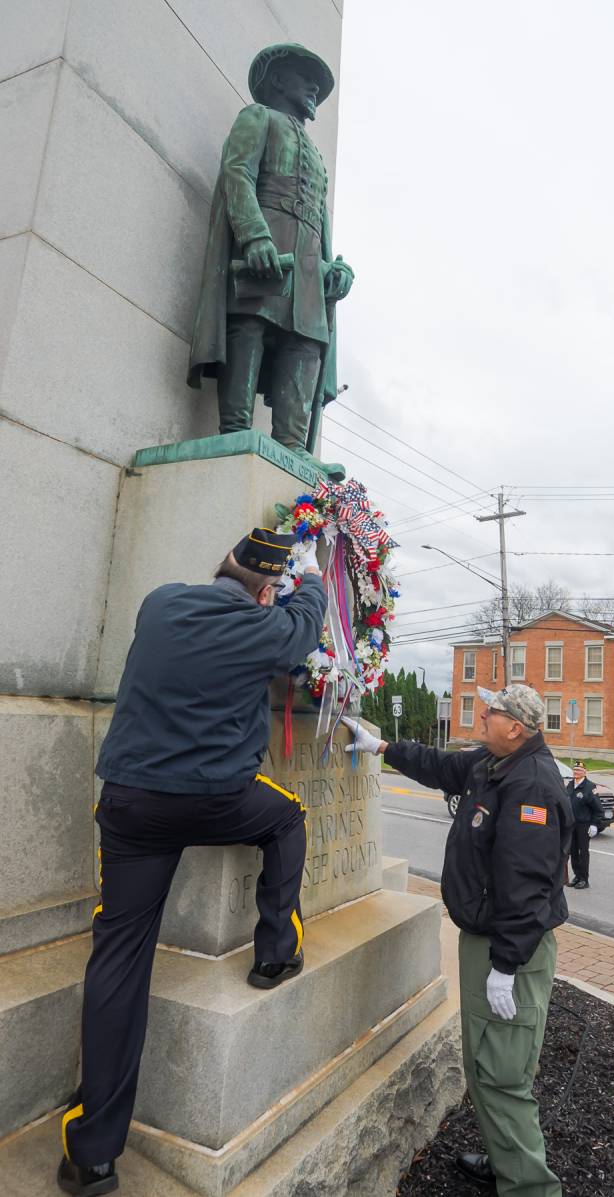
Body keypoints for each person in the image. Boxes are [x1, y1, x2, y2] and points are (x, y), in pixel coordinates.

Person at [57, 528, 327, 1197]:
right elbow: (305, 625)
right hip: (214, 801)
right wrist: (316, 574)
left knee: (119, 956)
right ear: (265, 592)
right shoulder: (266, 627)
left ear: (220, 568)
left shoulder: (158, 601)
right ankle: (274, 950)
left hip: (132, 804)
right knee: (288, 815)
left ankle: (92, 1153)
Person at [344, 684, 572, 1197]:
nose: (482, 715)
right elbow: (440, 766)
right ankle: (506, 1161)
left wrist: (507, 965)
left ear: (516, 726)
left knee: (501, 1073)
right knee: (484, 1061)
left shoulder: (530, 784)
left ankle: (531, 1187)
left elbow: (529, 887)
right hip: (489, 941)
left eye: (491, 711)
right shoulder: (493, 763)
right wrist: (383, 748)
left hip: (511, 948)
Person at [187, 43, 354, 478]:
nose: (315, 87)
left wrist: (336, 267)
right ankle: (235, 427)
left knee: (306, 344)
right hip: (268, 242)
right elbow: (237, 173)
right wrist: (254, 234)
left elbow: (321, 219)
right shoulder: (257, 117)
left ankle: (293, 445)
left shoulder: (317, 154)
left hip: (309, 263)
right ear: (278, 80)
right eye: (305, 76)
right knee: (251, 325)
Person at [565, 761, 604, 890]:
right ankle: (577, 875)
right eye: (575, 770)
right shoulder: (570, 785)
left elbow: (598, 809)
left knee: (583, 852)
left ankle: (584, 879)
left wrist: (594, 825)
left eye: (579, 770)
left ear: (585, 772)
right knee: (573, 851)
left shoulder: (590, 787)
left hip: (584, 825)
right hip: (572, 825)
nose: (576, 772)